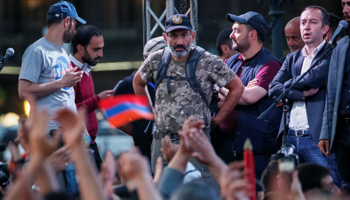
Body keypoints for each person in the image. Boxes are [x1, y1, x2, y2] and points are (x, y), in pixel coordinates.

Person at [133, 14, 244, 174]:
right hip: (163, 142)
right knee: (162, 192)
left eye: (184, 35)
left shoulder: (207, 61)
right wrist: (149, 113)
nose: (179, 42)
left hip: (196, 142)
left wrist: (219, 118)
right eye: (173, 36)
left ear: (192, 36)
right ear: (165, 37)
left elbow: (237, 87)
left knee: (196, 191)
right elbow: (137, 82)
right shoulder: (156, 59)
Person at [269, 5, 341, 187]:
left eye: (312, 22)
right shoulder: (292, 58)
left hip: (316, 138)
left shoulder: (332, 54)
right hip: (290, 137)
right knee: (288, 189)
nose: (306, 27)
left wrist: (288, 85)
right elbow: (273, 88)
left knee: (326, 188)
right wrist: (301, 94)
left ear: (325, 29)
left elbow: (315, 77)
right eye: (303, 23)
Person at [221, 11, 282, 179]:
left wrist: (225, 90)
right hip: (226, 145)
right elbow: (214, 93)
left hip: (256, 149)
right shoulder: (230, 62)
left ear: (253, 34)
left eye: (237, 30)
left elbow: (249, 98)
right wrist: (241, 90)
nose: (231, 35)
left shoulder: (270, 65)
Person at [18, 0, 86, 131]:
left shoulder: (62, 52)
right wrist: (61, 82)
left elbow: (67, 97)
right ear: (67, 22)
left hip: (68, 132)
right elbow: (23, 91)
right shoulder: (36, 51)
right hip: (49, 135)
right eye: (75, 25)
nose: (75, 32)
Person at [114, 36, 166, 164]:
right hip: (145, 151)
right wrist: (138, 131)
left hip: (172, 147)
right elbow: (113, 114)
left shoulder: (178, 80)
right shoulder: (129, 83)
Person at [70, 25, 114, 170]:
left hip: (89, 142)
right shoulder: (69, 71)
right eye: (96, 49)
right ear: (80, 48)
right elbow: (69, 109)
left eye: (102, 48)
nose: (101, 54)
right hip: (79, 144)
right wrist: (98, 100)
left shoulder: (86, 68)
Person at [319, 6, 350, 191]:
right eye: (343, 3)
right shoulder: (342, 45)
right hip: (343, 131)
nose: (345, 9)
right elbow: (331, 94)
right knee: (346, 187)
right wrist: (326, 132)